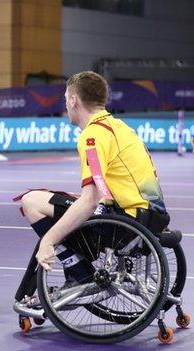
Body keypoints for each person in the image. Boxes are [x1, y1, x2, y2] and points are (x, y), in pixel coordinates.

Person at [14, 71, 170, 299]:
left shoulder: (92, 136)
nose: (65, 104)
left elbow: (89, 201)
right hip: (150, 217)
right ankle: (78, 269)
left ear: (74, 100)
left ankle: (79, 273)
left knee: (32, 201)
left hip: (125, 226)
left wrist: (48, 241)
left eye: (65, 98)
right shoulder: (120, 127)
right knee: (60, 200)